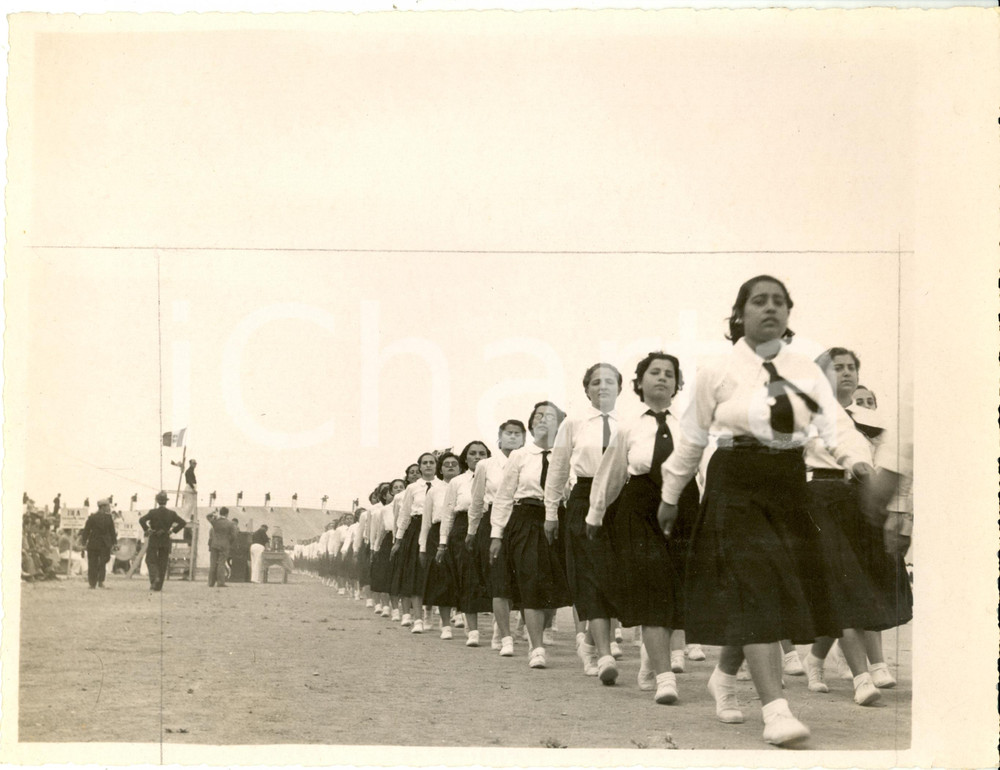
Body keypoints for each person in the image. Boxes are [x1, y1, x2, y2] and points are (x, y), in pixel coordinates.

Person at [656, 275, 873, 746]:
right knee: (754, 584)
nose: (769, 308)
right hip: (736, 478)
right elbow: (692, 438)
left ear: (789, 313)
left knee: (775, 587)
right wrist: (671, 495)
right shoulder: (716, 370)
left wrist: (857, 460)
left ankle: (724, 676)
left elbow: (835, 427)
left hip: (789, 483)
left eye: (779, 302)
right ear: (740, 313)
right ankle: (776, 710)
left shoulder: (807, 371)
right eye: (759, 301)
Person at [589, 352, 699, 704]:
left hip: (684, 507)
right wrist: (594, 515)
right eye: (655, 372)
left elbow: (705, 471)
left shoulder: (691, 426)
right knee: (653, 587)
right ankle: (666, 678)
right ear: (639, 382)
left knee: (674, 588)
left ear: (678, 384)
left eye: (670, 374)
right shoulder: (628, 427)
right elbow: (611, 474)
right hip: (639, 508)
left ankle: (652, 661)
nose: (662, 378)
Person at [545, 362, 623, 685]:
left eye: (609, 382)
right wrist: (551, 512)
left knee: (616, 576)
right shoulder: (574, 424)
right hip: (584, 497)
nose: (602, 387)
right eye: (595, 382)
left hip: (621, 500)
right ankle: (604, 654)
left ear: (620, 388)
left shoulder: (628, 425)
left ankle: (589, 643)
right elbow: (559, 469)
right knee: (591, 574)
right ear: (586, 389)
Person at [491, 401, 572, 670]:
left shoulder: (568, 453)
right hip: (526, 518)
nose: (543, 420)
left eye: (550, 416)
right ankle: (536, 647)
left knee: (556, 581)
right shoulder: (520, 455)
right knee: (530, 578)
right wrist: (496, 534)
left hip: (560, 519)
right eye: (538, 416)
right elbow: (503, 496)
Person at [438, 441, 492, 646]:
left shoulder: (496, 476)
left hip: (489, 523)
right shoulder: (457, 482)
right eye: (472, 453)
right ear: (465, 458)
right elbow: (448, 514)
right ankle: (473, 630)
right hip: (463, 528)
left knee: (493, 574)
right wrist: (443, 543)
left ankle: (499, 631)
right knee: (469, 577)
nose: (477, 457)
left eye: (482, 453)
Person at [391, 452, 443, 633]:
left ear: (437, 466)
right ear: (420, 467)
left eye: (431, 463)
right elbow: (404, 515)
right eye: (424, 463)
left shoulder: (444, 486)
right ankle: (417, 618)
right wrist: (398, 540)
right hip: (415, 527)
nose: (428, 466)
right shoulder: (412, 488)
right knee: (414, 572)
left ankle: (429, 613)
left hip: (435, 529)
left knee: (433, 572)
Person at [420, 451, 466, 639]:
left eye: (453, 463)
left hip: (462, 530)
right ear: (440, 469)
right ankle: (445, 624)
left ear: (460, 466)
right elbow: (426, 520)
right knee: (442, 579)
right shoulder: (434, 490)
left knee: (463, 575)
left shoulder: (467, 484)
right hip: (438, 534)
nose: (450, 466)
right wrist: (423, 546)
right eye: (446, 464)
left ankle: (464, 617)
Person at [138, 492, 187, 591]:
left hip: (154, 537)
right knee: (163, 562)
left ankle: (154, 579)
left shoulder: (152, 512)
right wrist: (172, 531)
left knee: (150, 559)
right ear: (166, 502)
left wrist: (147, 529)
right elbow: (183, 522)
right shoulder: (171, 513)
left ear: (157, 501)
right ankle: (159, 586)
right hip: (165, 538)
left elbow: (141, 520)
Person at [81, 498, 117, 589]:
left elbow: (86, 531)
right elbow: (112, 532)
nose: (109, 507)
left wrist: (84, 542)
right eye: (107, 506)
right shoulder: (105, 518)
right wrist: (114, 543)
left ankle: (93, 583)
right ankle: (99, 582)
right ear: (103, 507)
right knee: (100, 563)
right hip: (102, 543)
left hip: (95, 543)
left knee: (95, 563)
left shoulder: (94, 517)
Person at [206, 507, 238, 588]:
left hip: (214, 544)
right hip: (224, 545)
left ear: (220, 513)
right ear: (227, 514)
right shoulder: (230, 523)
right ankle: (220, 582)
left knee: (213, 563)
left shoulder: (215, 522)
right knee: (221, 563)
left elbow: (208, 516)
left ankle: (210, 583)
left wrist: (213, 512)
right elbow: (234, 536)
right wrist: (229, 542)